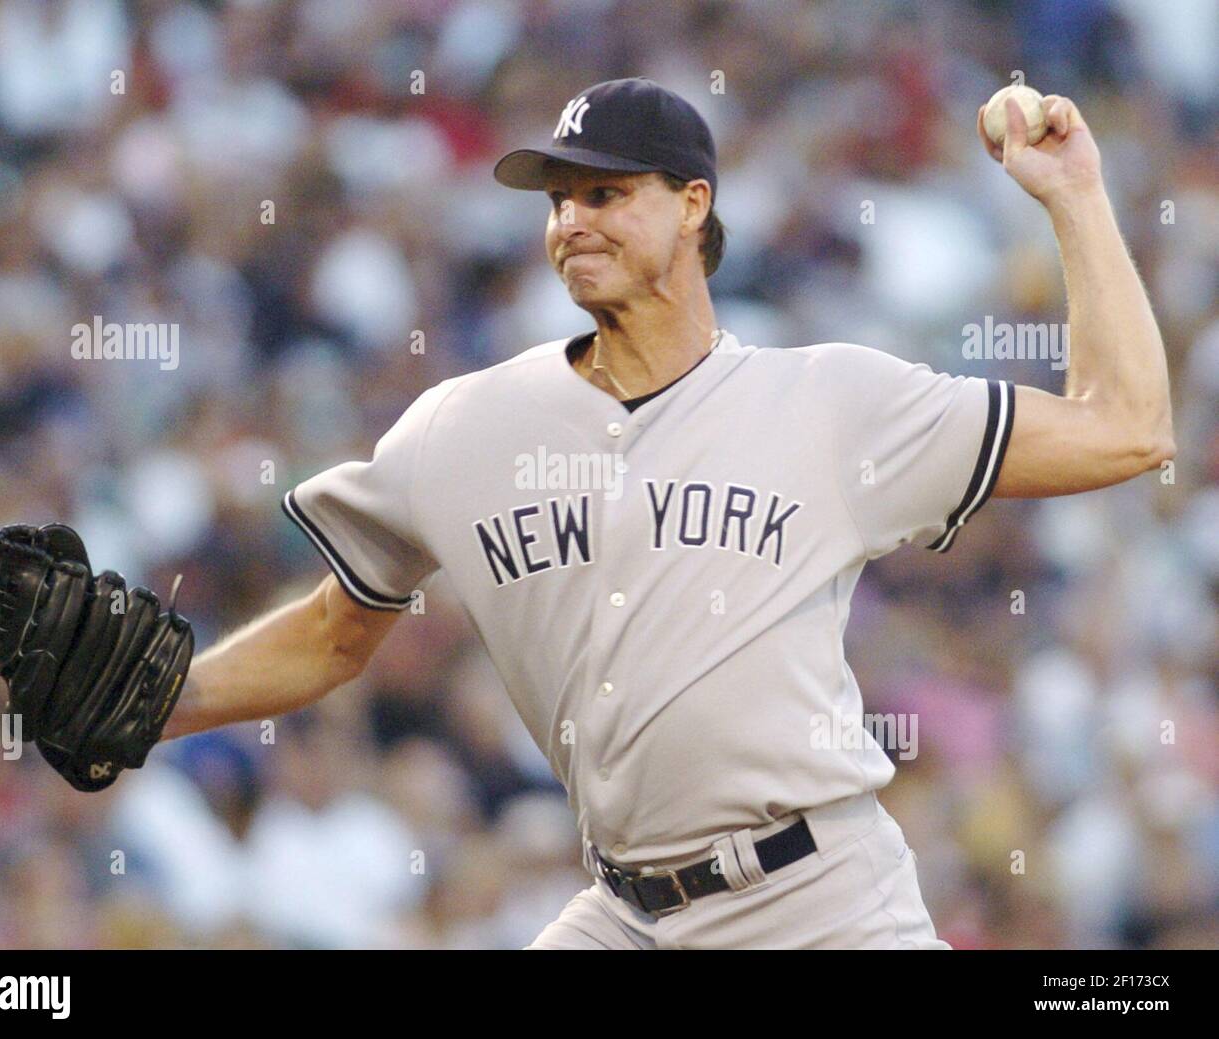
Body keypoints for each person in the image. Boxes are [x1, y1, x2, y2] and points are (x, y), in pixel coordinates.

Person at [162, 78, 1174, 949]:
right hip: (624, 910)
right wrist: (165, 703)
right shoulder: (461, 429)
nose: (570, 221)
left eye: (605, 192)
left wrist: (1074, 195)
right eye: (558, 199)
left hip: (815, 901)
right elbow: (336, 631)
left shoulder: (829, 401)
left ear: (693, 206)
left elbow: (1125, 428)